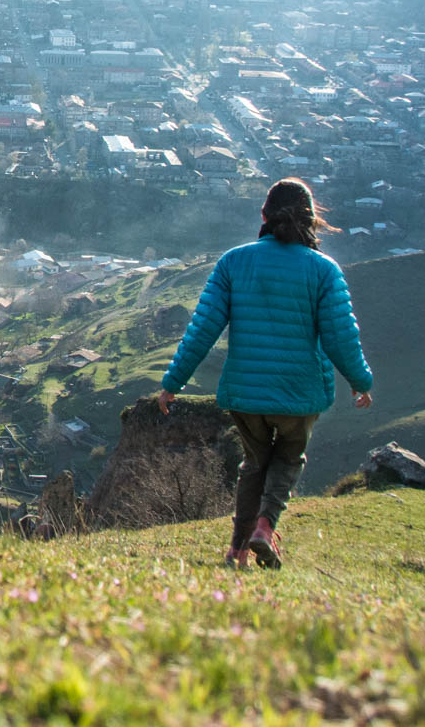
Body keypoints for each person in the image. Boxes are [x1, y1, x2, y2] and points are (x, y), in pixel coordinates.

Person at [156, 178, 373, 569]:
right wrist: (361, 382)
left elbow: (203, 329)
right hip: (300, 392)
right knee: (288, 460)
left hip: (246, 393)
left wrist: (173, 383)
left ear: (264, 216)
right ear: (311, 219)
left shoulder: (234, 262)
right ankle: (265, 527)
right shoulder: (324, 271)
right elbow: (342, 337)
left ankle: (237, 550)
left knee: (253, 466)